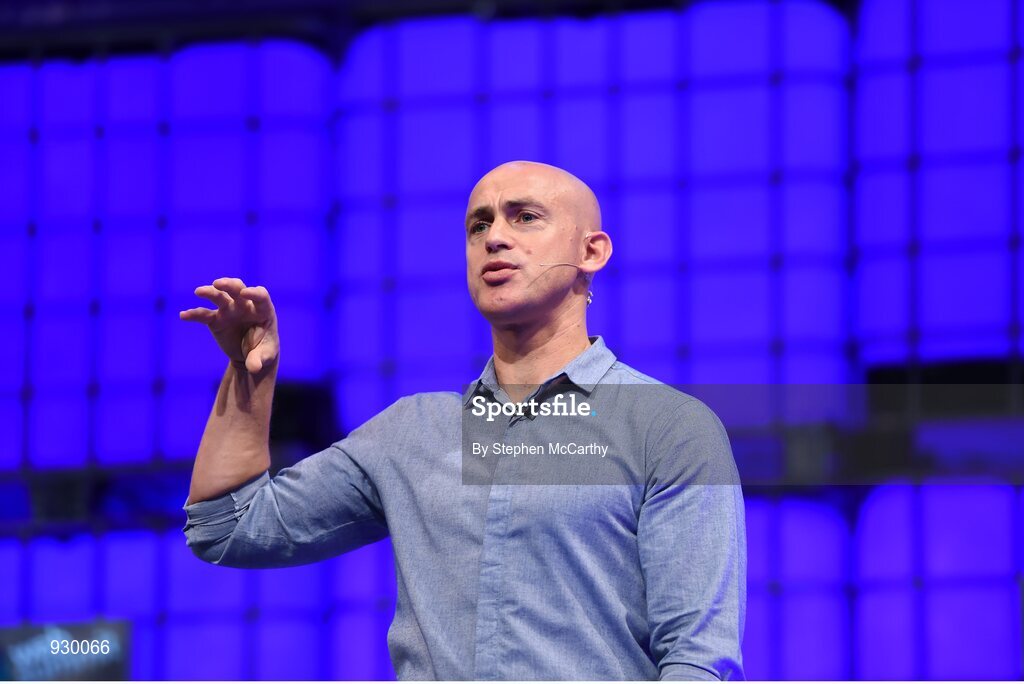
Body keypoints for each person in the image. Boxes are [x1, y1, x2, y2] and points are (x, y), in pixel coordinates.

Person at [180, 161, 746, 680]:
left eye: (525, 217)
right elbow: (228, 527)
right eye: (479, 226)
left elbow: (698, 661)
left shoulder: (668, 428)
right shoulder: (411, 432)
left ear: (591, 252)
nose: (494, 237)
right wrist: (250, 374)